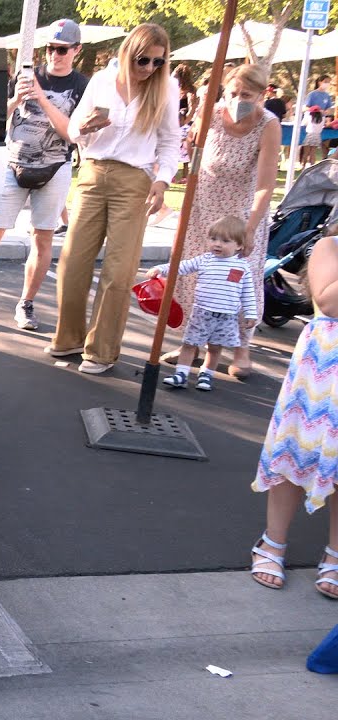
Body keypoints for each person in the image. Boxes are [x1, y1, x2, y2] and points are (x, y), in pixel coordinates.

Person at [48, 23, 181, 374]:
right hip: (92, 173)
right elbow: (74, 129)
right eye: (143, 60)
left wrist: (163, 181)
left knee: (118, 270)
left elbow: (170, 142)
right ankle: (69, 337)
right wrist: (86, 128)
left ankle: (102, 352)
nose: (149, 68)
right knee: (72, 262)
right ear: (127, 54)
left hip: (135, 180)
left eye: (157, 61)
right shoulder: (103, 81)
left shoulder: (166, 88)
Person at [159, 63, 281, 380]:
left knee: (239, 277)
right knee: (196, 273)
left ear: (261, 95)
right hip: (203, 205)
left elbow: (266, 184)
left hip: (241, 212)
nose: (238, 99)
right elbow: (193, 156)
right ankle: (192, 342)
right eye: (233, 92)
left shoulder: (268, 124)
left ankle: (241, 348)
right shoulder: (212, 112)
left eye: (247, 95)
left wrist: (250, 228)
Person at [248, 225, 338, 600]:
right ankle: (273, 542)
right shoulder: (330, 247)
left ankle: (335, 552)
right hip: (324, 365)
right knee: (295, 451)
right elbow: (330, 302)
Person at [0, 18, 89, 333]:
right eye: (50, 48)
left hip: (54, 167)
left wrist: (42, 97)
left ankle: (26, 302)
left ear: (76, 50)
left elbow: (71, 134)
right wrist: (17, 97)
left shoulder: (82, 86)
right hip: (13, 163)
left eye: (62, 49)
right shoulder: (27, 76)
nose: (54, 55)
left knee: (42, 238)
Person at [146, 215, 258, 392]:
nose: (217, 244)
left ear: (239, 246)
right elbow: (182, 266)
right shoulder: (205, 260)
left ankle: (206, 374)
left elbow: (247, 293)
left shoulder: (241, 267)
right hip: (202, 312)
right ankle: (181, 373)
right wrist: (161, 269)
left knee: (215, 348)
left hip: (226, 316)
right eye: (213, 239)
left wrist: (251, 313)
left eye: (225, 241)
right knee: (189, 344)